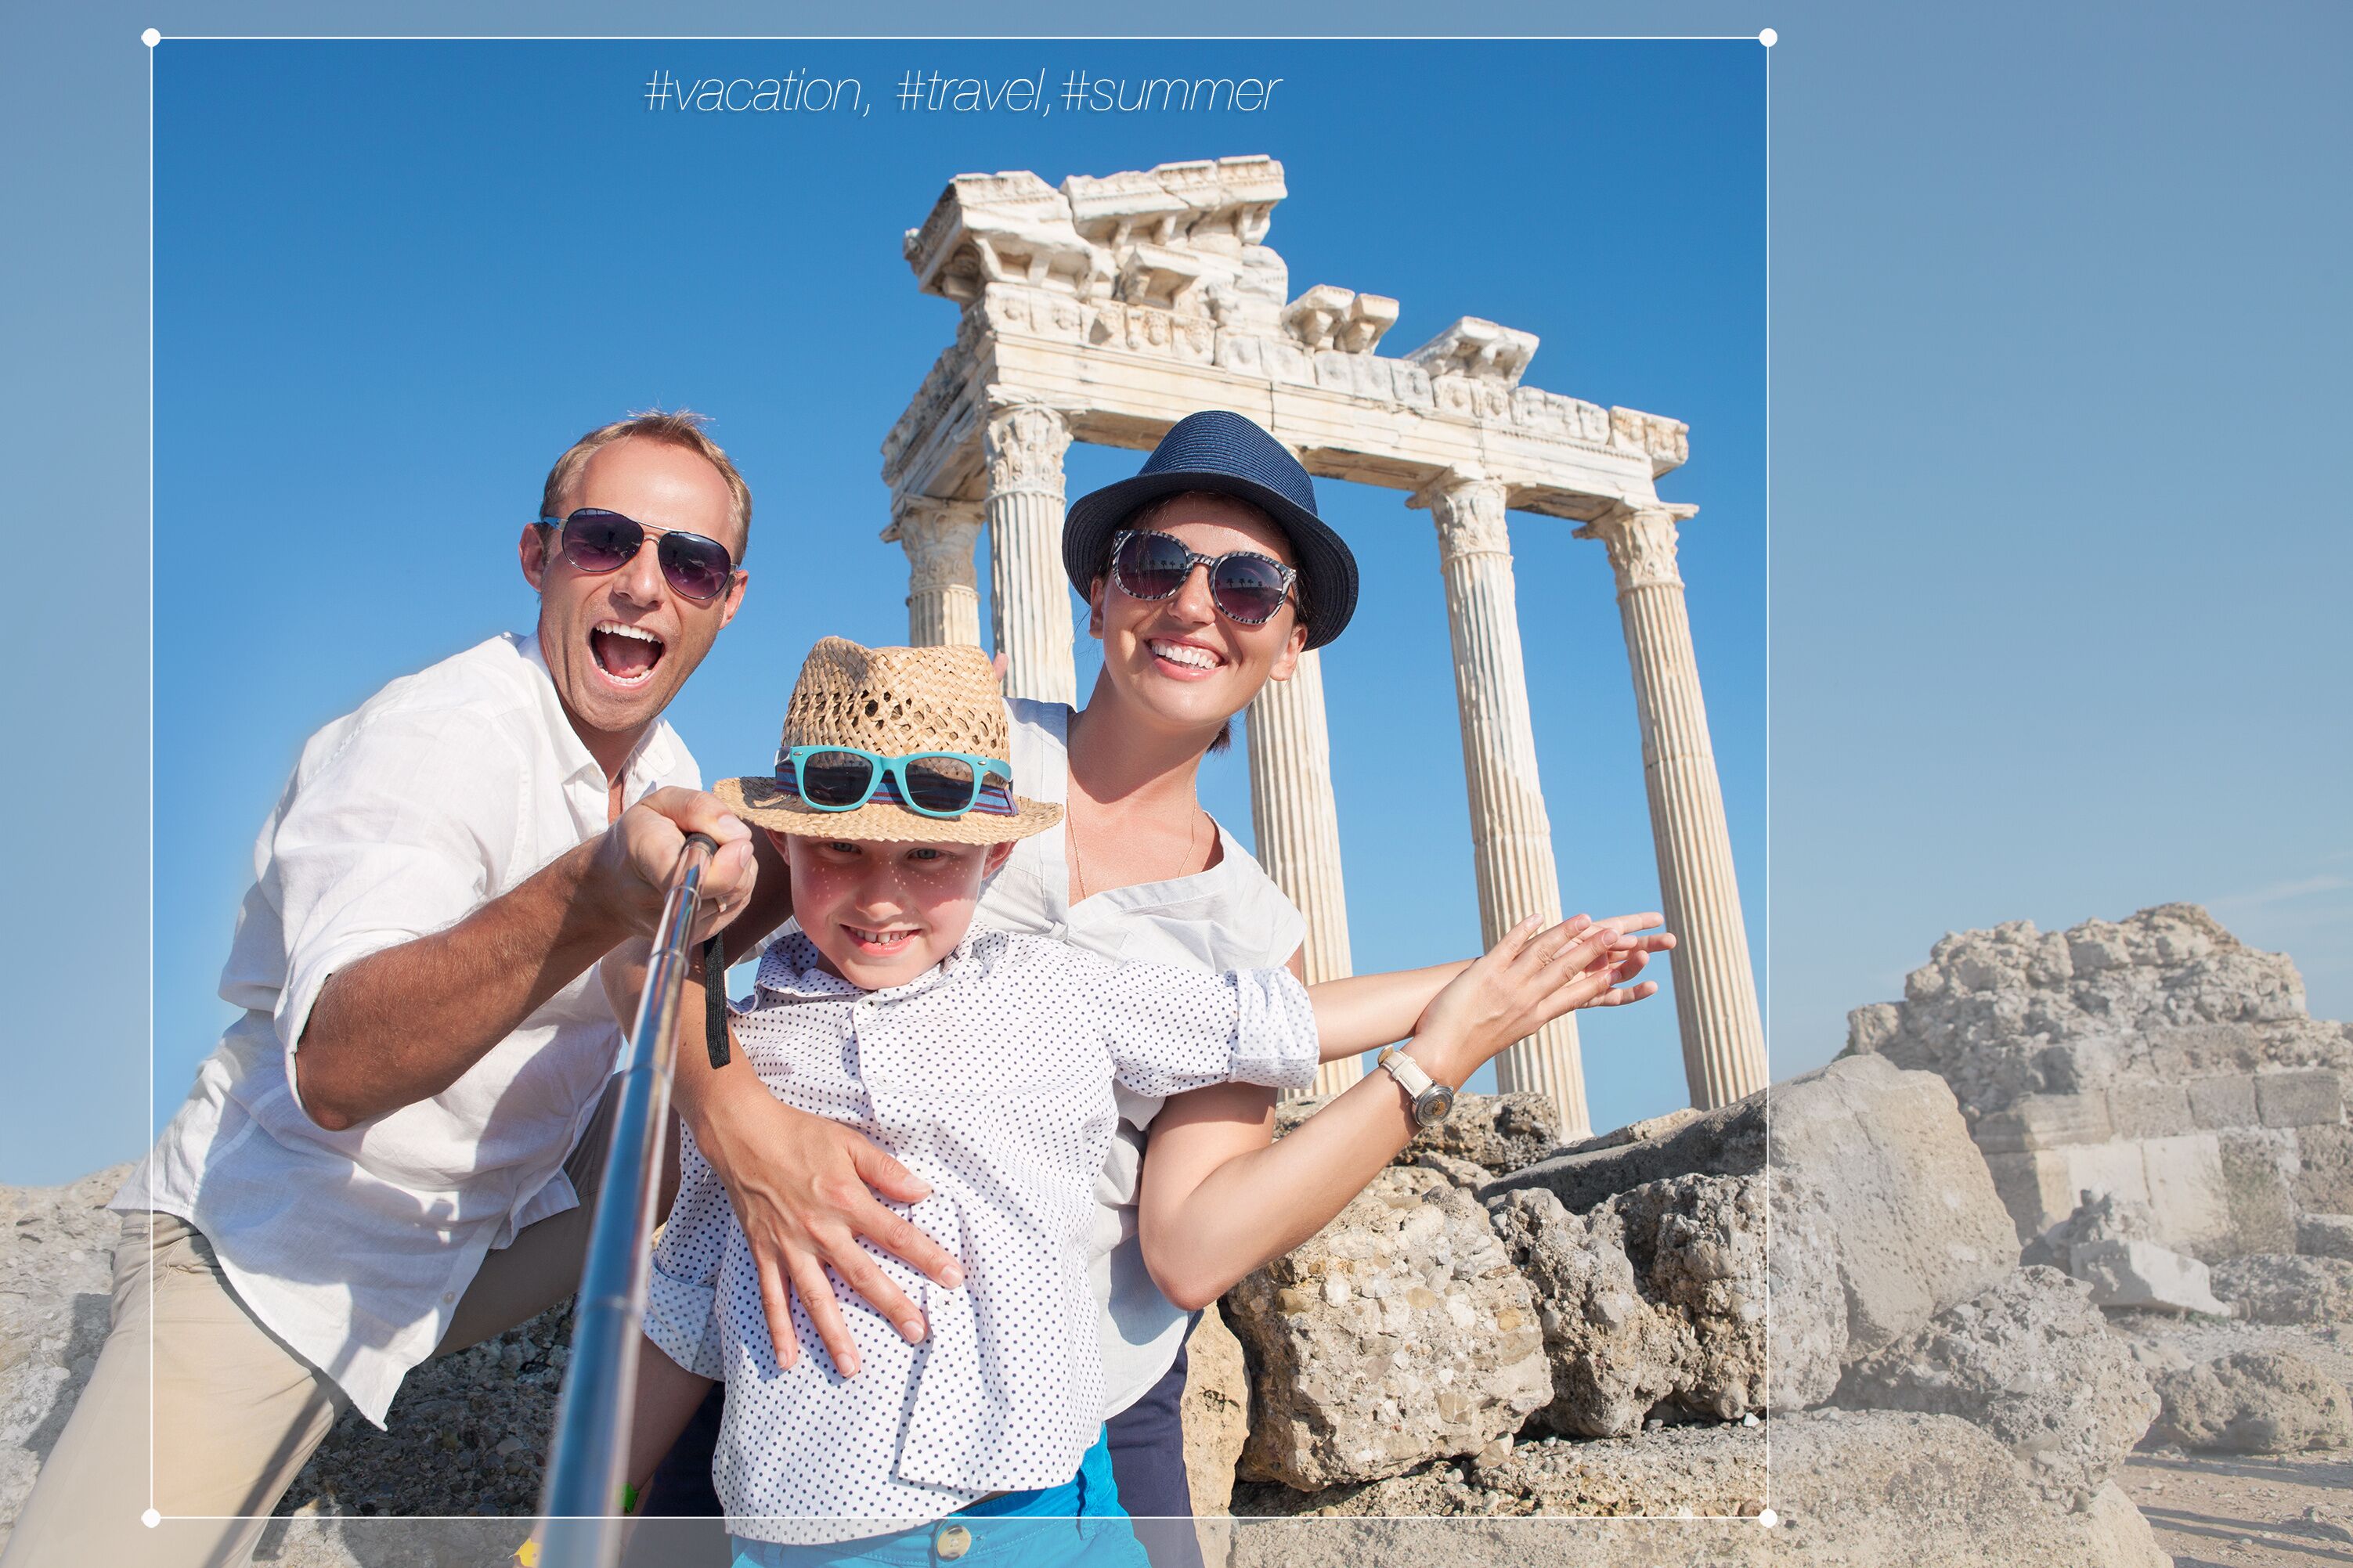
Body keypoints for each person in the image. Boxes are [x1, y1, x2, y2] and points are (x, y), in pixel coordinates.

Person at [649, 412, 1671, 1556]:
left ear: (1292, 643)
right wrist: (730, 1113)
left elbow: (1188, 1245)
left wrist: (1440, 1051)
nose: (1192, 606)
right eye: (1155, 567)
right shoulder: (940, 767)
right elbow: (660, 924)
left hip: (1068, 1411)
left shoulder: (1252, 927)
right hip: (787, 1358)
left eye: (1247, 587)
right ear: (1097, 596)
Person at [0, 412, 769, 1568]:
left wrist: (802, 879)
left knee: (765, 1098)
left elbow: (650, 982)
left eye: (689, 561)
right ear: (538, 556)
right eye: (607, 541)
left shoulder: (658, 766)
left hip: (486, 1231)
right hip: (281, 1259)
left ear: (728, 598)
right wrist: (594, 890)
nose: (646, 585)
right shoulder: (430, 739)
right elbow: (338, 1070)